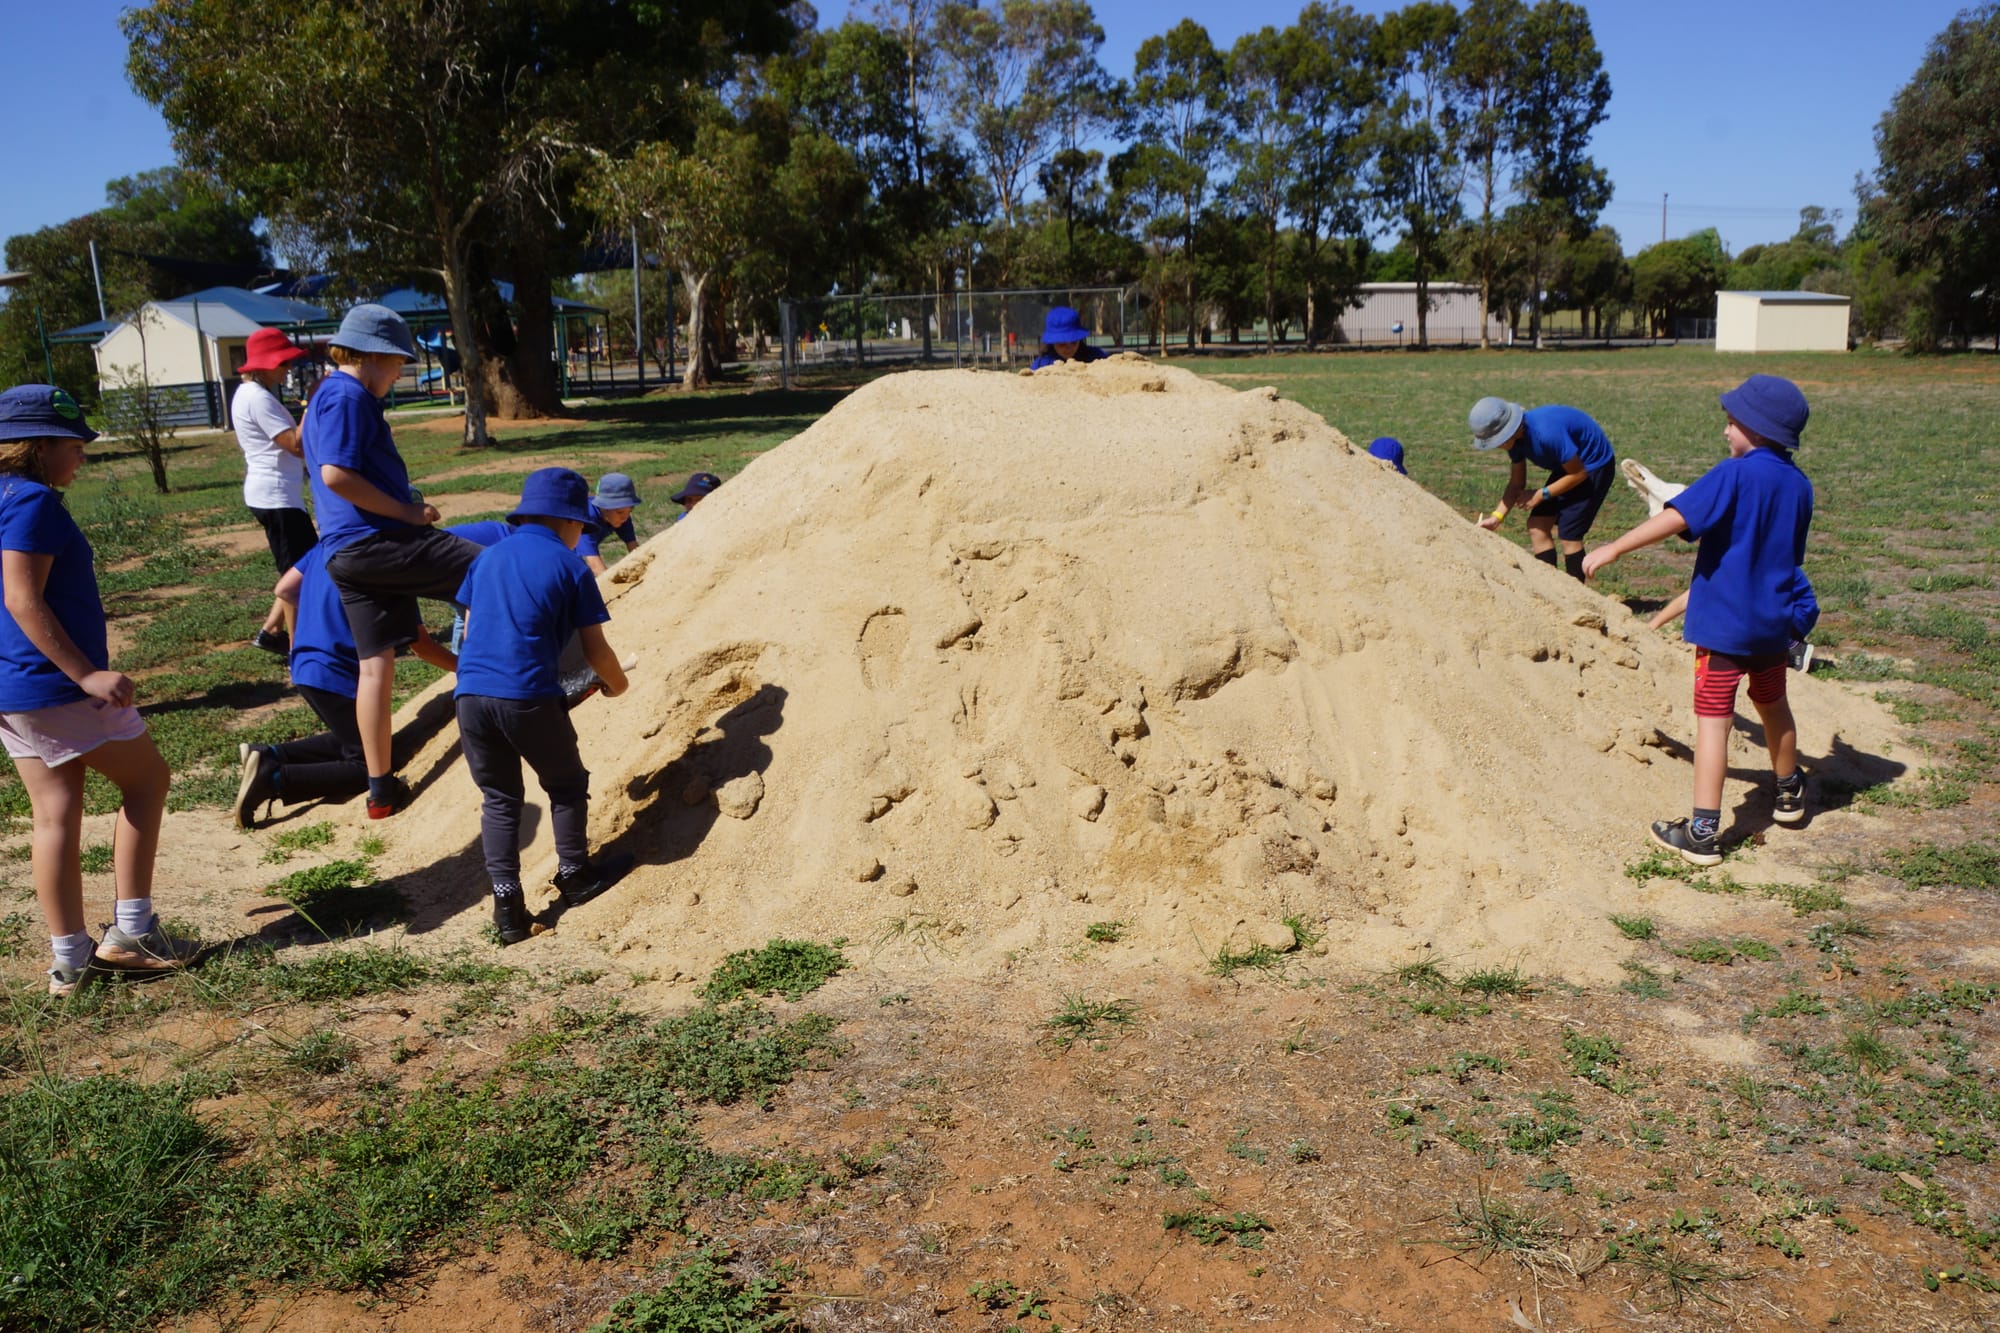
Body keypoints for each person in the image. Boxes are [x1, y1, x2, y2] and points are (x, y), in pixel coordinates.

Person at [0, 386, 193, 996]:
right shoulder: (33, 502)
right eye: (74, 442)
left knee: (55, 813)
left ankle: (70, 960)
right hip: (55, 688)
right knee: (146, 780)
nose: (82, 452)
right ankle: (132, 933)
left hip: (11, 689)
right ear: (38, 445)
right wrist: (86, 674)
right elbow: (22, 598)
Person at [1583, 374, 1815, 866]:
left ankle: (1703, 833)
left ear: (1757, 428)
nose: (1726, 431)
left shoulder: (1732, 475)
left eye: (1732, 422)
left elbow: (1676, 518)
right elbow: (1788, 557)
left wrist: (1615, 547)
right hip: (1772, 627)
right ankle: (1790, 794)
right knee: (1774, 706)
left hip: (1722, 630)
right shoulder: (1799, 486)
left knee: (1714, 724)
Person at [300, 304, 483, 819]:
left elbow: (308, 453)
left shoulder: (322, 396)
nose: (401, 372)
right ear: (374, 356)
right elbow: (336, 474)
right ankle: (519, 687)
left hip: (345, 554)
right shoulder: (347, 394)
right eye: (399, 362)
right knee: (491, 571)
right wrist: (407, 510)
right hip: (377, 541)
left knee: (375, 667)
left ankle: (380, 789)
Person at [454, 469, 631, 945]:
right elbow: (595, 651)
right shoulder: (570, 565)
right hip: (527, 696)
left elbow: (470, 633)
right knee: (566, 784)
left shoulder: (487, 559)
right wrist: (617, 685)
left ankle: (508, 908)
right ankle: (574, 876)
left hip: (469, 696)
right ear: (571, 521)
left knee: (500, 798)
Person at [234, 542, 459, 828]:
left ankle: (271, 754)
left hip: (305, 664)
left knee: (361, 740)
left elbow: (285, 590)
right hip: (335, 674)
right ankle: (274, 779)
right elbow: (421, 645)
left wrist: (295, 642)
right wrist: (467, 669)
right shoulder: (386, 565)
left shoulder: (327, 545)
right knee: (371, 764)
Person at [231, 328, 316, 655]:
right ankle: (301, 651)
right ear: (263, 364)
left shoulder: (250, 393)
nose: (287, 368)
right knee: (300, 575)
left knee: (299, 568)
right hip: (277, 497)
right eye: (282, 362)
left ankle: (271, 631)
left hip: (276, 494)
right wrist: (311, 403)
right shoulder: (258, 398)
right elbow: (295, 445)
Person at [1471, 397, 1618, 580]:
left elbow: (1579, 474)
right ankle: (1551, 587)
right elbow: (1517, 484)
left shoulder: (1546, 434)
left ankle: (1578, 598)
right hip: (1567, 468)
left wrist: (1542, 494)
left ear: (1508, 430)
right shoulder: (1515, 441)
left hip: (1592, 466)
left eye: (1495, 440)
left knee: (1569, 535)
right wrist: (1496, 518)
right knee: (1537, 526)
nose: (1496, 445)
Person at [577, 472, 642, 575]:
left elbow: (635, 549)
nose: (625, 517)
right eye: (620, 512)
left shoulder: (621, 517)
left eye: (630, 511)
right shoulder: (587, 518)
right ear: (604, 507)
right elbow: (593, 563)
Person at [1029, 307, 1106, 370]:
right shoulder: (1041, 366)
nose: (1069, 347)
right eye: (1062, 344)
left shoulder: (1096, 357)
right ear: (1052, 343)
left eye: (1074, 342)